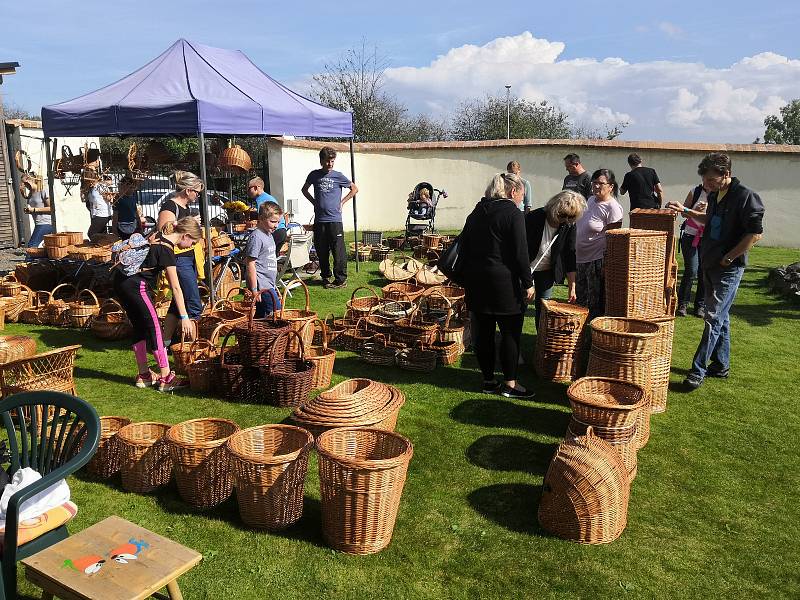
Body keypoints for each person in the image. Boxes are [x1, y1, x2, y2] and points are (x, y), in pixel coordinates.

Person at [666, 153, 764, 391]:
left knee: (713, 318)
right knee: (721, 316)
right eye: (705, 180)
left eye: (711, 180)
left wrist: (730, 256)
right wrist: (686, 210)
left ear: (726, 174)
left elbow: (755, 234)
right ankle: (720, 365)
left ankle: (697, 371)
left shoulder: (746, 196)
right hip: (711, 263)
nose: (706, 185)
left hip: (728, 268)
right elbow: (709, 220)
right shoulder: (716, 194)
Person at [460, 172, 535, 398]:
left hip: (477, 281)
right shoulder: (513, 213)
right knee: (510, 334)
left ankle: (489, 381)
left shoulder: (476, 212)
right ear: (513, 192)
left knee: (483, 335)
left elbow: (464, 246)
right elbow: (521, 253)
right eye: (522, 195)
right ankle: (510, 384)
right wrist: (528, 283)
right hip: (504, 285)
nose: (522, 200)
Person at [112, 217, 200, 392]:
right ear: (186, 236)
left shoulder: (157, 236)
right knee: (155, 329)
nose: (190, 246)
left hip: (120, 282)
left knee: (139, 326)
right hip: (138, 286)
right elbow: (176, 287)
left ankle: (144, 375)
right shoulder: (167, 249)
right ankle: (166, 378)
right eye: (192, 242)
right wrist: (184, 317)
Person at [525, 190, 586, 328]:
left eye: (571, 217)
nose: (565, 220)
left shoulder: (569, 225)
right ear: (554, 207)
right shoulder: (534, 218)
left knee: (544, 309)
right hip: (526, 268)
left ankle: (540, 343)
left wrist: (572, 286)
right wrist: (527, 281)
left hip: (547, 270)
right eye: (563, 215)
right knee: (521, 304)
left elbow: (570, 255)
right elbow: (520, 250)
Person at [301, 146, 358, 289]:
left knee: (338, 250)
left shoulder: (338, 176)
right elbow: (304, 190)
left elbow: (354, 188)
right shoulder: (314, 175)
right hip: (320, 220)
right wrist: (314, 202)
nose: (330, 164)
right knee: (321, 250)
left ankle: (340, 280)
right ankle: (325, 277)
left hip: (335, 220)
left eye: (332, 161)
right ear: (321, 160)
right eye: (327, 161)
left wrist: (342, 202)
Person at [158, 171, 204, 339]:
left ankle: (165, 342)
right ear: (188, 190)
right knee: (193, 304)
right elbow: (163, 232)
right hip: (177, 259)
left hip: (187, 256)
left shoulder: (186, 207)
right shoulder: (170, 206)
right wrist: (185, 224)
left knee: (176, 306)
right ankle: (197, 348)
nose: (197, 196)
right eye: (197, 192)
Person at [574, 168, 624, 320]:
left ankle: (592, 340)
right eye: (594, 183)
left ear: (611, 187)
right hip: (580, 259)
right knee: (580, 302)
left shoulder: (613, 208)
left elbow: (613, 240)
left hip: (596, 261)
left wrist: (605, 264)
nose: (596, 186)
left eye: (600, 183)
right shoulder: (590, 200)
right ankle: (578, 338)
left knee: (594, 305)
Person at [245, 201, 284, 318]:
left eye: (278, 222)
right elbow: (250, 263)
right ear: (261, 218)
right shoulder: (256, 237)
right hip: (262, 286)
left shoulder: (269, 234)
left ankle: (254, 335)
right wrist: (254, 289)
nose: (276, 225)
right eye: (272, 221)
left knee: (261, 317)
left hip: (269, 284)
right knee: (276, 312)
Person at [676, 183, 708, 317]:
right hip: (690, 236)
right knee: (691, 270)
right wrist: (694, 209)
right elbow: (683, 213)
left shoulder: (719, 194)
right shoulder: (695, 192)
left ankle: (699, 306)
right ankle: (683, 304)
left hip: (707, 238)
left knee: (704, 272)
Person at [22, 175, 53, 248]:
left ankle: (29, 259)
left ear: (31, 180)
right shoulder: (30, 194)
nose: (25, 185)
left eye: (26, 183)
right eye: (24, 183)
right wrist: (29, 211)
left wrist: (34, 210)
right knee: (47, 247)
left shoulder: (42, 190)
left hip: (46, 223)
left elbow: (52, 208)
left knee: (31, 246)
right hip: (38, 223)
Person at [113, 175, 145, 240]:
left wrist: (140, 227)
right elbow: (115, 215)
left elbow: (136, 213)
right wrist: (114, 230)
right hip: (122, 227)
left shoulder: (133, 198)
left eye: (133, 187)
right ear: (124, 186)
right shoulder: (118, 199)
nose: (133, 189)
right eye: (131, 187)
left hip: (133, 225)